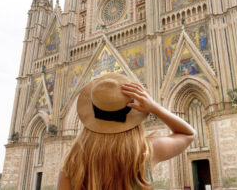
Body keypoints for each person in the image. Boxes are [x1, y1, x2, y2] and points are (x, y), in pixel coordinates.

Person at [57, 73, 196, 190]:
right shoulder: (145, 152)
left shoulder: (72, 161)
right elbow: (188, 134)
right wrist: (154, 107)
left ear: (91, 116)